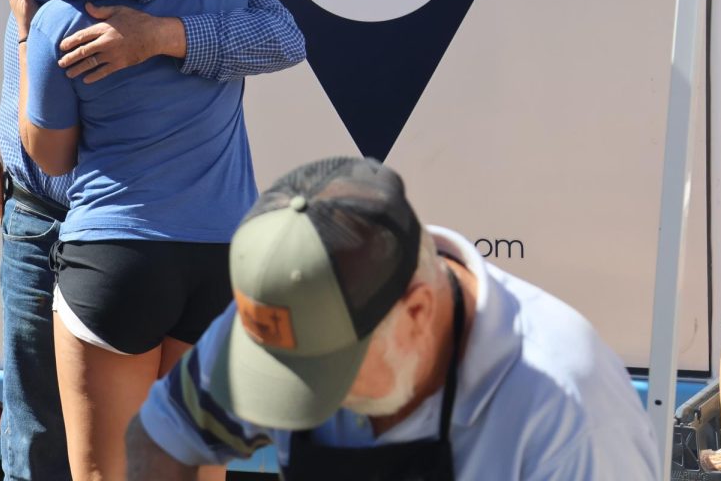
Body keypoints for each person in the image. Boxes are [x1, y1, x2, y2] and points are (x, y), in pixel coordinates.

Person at [0, 0, 305, 481]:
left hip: (112, 250)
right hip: (216, 253)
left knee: (104, 470)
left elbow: (50, 152)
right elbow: (284, 29)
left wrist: (147, 37)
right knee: (196, 468)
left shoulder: (57, 10)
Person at [127, 156, 661, 480]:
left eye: (325, 375)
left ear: (418, 310)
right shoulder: (285, 318)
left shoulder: (570, 412)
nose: (298, 403)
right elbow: (162, 432)